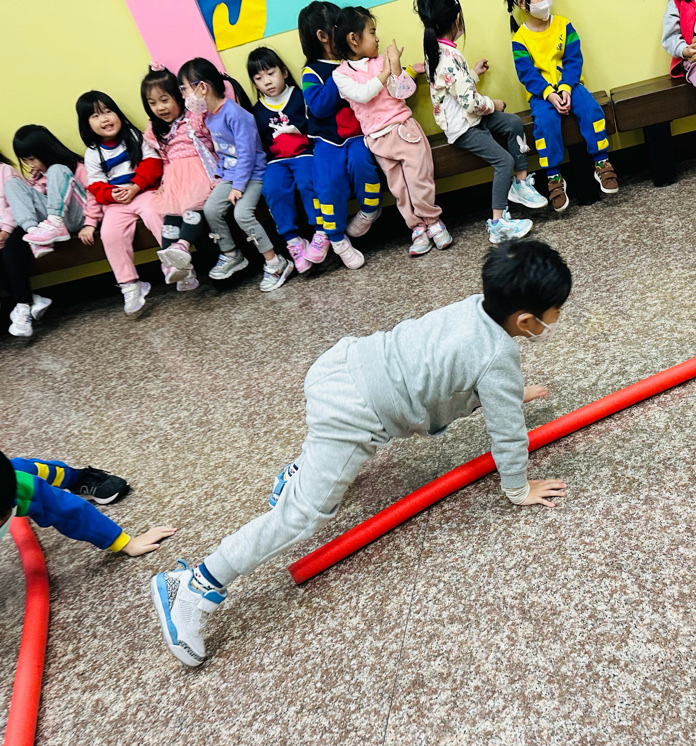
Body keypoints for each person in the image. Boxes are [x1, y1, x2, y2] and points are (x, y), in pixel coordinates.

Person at [151, 238, 572, 667]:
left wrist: (508, 394)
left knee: (325, 454)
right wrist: (518, 488)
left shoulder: (473, 308)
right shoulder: (499, 354)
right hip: (353, 412)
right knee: (303, 516)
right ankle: (195, 585)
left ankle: (299, 472)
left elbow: (448, 366)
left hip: (342, 363)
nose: (558, 317)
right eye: (557, 310)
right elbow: (507, 434)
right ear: (526, 320)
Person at [417, 0, 546, 244]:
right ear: (456, 20)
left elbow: (454, 86)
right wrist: (493, 104)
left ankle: (520, 184)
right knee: (504, 161)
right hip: (464, 128)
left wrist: (473, 74)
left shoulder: (439, 50)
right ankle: (498, 223)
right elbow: (470, 103)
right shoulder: (447, 56)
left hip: (472, 118)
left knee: (513, 123)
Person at [331, 6, 455, 257]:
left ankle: (433, 221)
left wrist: (396, 68)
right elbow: (362, 94)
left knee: (419, 180)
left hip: (403, 130)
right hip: (378, 140)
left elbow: (404, 92)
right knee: (399, 189)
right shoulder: (341, 74)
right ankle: (417, 228)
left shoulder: (383, 61)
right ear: (353, 39)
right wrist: (387, 70)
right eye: (372, 32)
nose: (377, 38)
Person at [178, 57, 294, 292]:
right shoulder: (210, 116)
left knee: (242, 214)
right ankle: (231, 254)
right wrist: (219, 176)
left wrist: (238, 186)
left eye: (185, 89)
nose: (184, 96)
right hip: (231, 175)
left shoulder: (236, 114)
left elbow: (247, 155)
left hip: (252, 174)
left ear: (202, 87)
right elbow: (223, 153)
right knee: (211, 209)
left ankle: (276, 262)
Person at [505, 0, 618, 212]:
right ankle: (553, 177)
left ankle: (602, 161)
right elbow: (527, 73)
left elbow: (574, 60)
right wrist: (549, 94)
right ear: (521, 3)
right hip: (541, 95)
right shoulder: (519, 39)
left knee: (590, 109)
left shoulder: (564, 25)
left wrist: (566, 87)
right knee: (545, 123)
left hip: (571, 85)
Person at [297, 1, 381, 269]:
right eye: (338, 26)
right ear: (323, 36)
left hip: (357, 135)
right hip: (327, 141)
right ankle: (336, 239)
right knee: (328, 182)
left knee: (362, 163)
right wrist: (339, 74)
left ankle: (370, 210)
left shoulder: (357, 60)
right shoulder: (311, 72)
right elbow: (318, 106)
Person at [77, 91, 165, 314]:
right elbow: (95, 185)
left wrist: (135, 186)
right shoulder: (93, 153)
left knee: (155, 213)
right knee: (109, 234)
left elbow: (153, 163)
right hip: (116, 203)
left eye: (108, 112)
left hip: (143, 191)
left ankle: (174, 263)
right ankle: (129, 284)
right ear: (87, 125)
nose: (105, 119)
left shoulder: (133, 136)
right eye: (96, 116)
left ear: (118, 113)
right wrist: (112, 194)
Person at [248, 46, 329, 274]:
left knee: (307, 181)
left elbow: (315, 127)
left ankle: (321, 232)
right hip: (276, 161)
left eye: (270, 73)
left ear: (283, 72)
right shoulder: (257, 111)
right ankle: (293, 241)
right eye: (259, 78)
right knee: (272, 188)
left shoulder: (300, 97)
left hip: (304, 153)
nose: (267, 81)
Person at [0, 451, 175, 556]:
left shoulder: (22, 487)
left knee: (27, 470)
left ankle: (76, 479)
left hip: (17, 482)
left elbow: (67, 510)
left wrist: (124, 542)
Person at [141, 63, 218, 292]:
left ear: (178, 95)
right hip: (175, 178)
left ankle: (183, 246)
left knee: (192, 210)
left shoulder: (193, 116)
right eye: (152, 103)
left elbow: (210, 141)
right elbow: (165, 158)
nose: (160, 108)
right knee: (170, 219)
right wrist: (165, 183)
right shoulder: (157, 129)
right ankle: (175, 267)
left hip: (199, 171)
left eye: (165, 100)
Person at [4, 125, 99, 259]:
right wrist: (35, 183)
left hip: (78, 218)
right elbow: (31, 200)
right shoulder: (37, 176)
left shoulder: (73, 167)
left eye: (32, 159)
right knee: (12, 184)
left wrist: (90, 224)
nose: (30, 165)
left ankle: (55, 222)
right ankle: (34, 233)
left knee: (56, 169)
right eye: (25, 161)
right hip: (50, 227)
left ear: (45, 152)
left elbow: (94, 195)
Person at [0, 153, 54, 337]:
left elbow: (17, 204)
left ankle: (24, 305)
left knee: (10, 253)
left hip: (19, 224)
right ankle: (32, 300)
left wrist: (5, 231)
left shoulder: (5, 170)